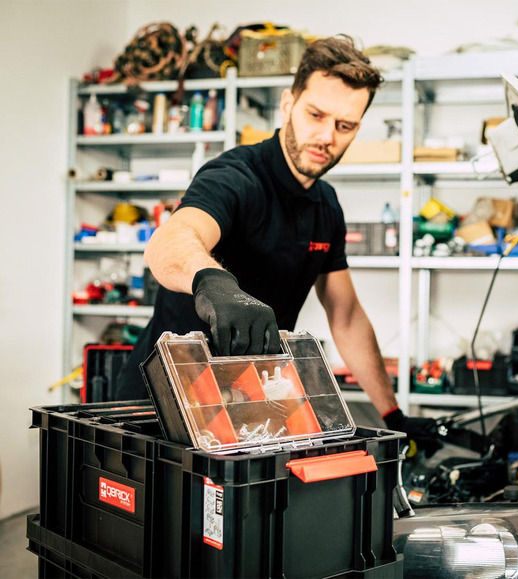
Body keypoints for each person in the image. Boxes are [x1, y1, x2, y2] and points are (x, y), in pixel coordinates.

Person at [116, 34, 440, 455]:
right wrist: (212, 282)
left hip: (244, 404)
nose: (327, 136)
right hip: (159, 405)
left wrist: (392, 415)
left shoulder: (326, 206)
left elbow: (345, 316)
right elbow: (171, 240)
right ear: (288, 104)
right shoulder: (236, 177)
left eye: (345, 126)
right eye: (315, 114)